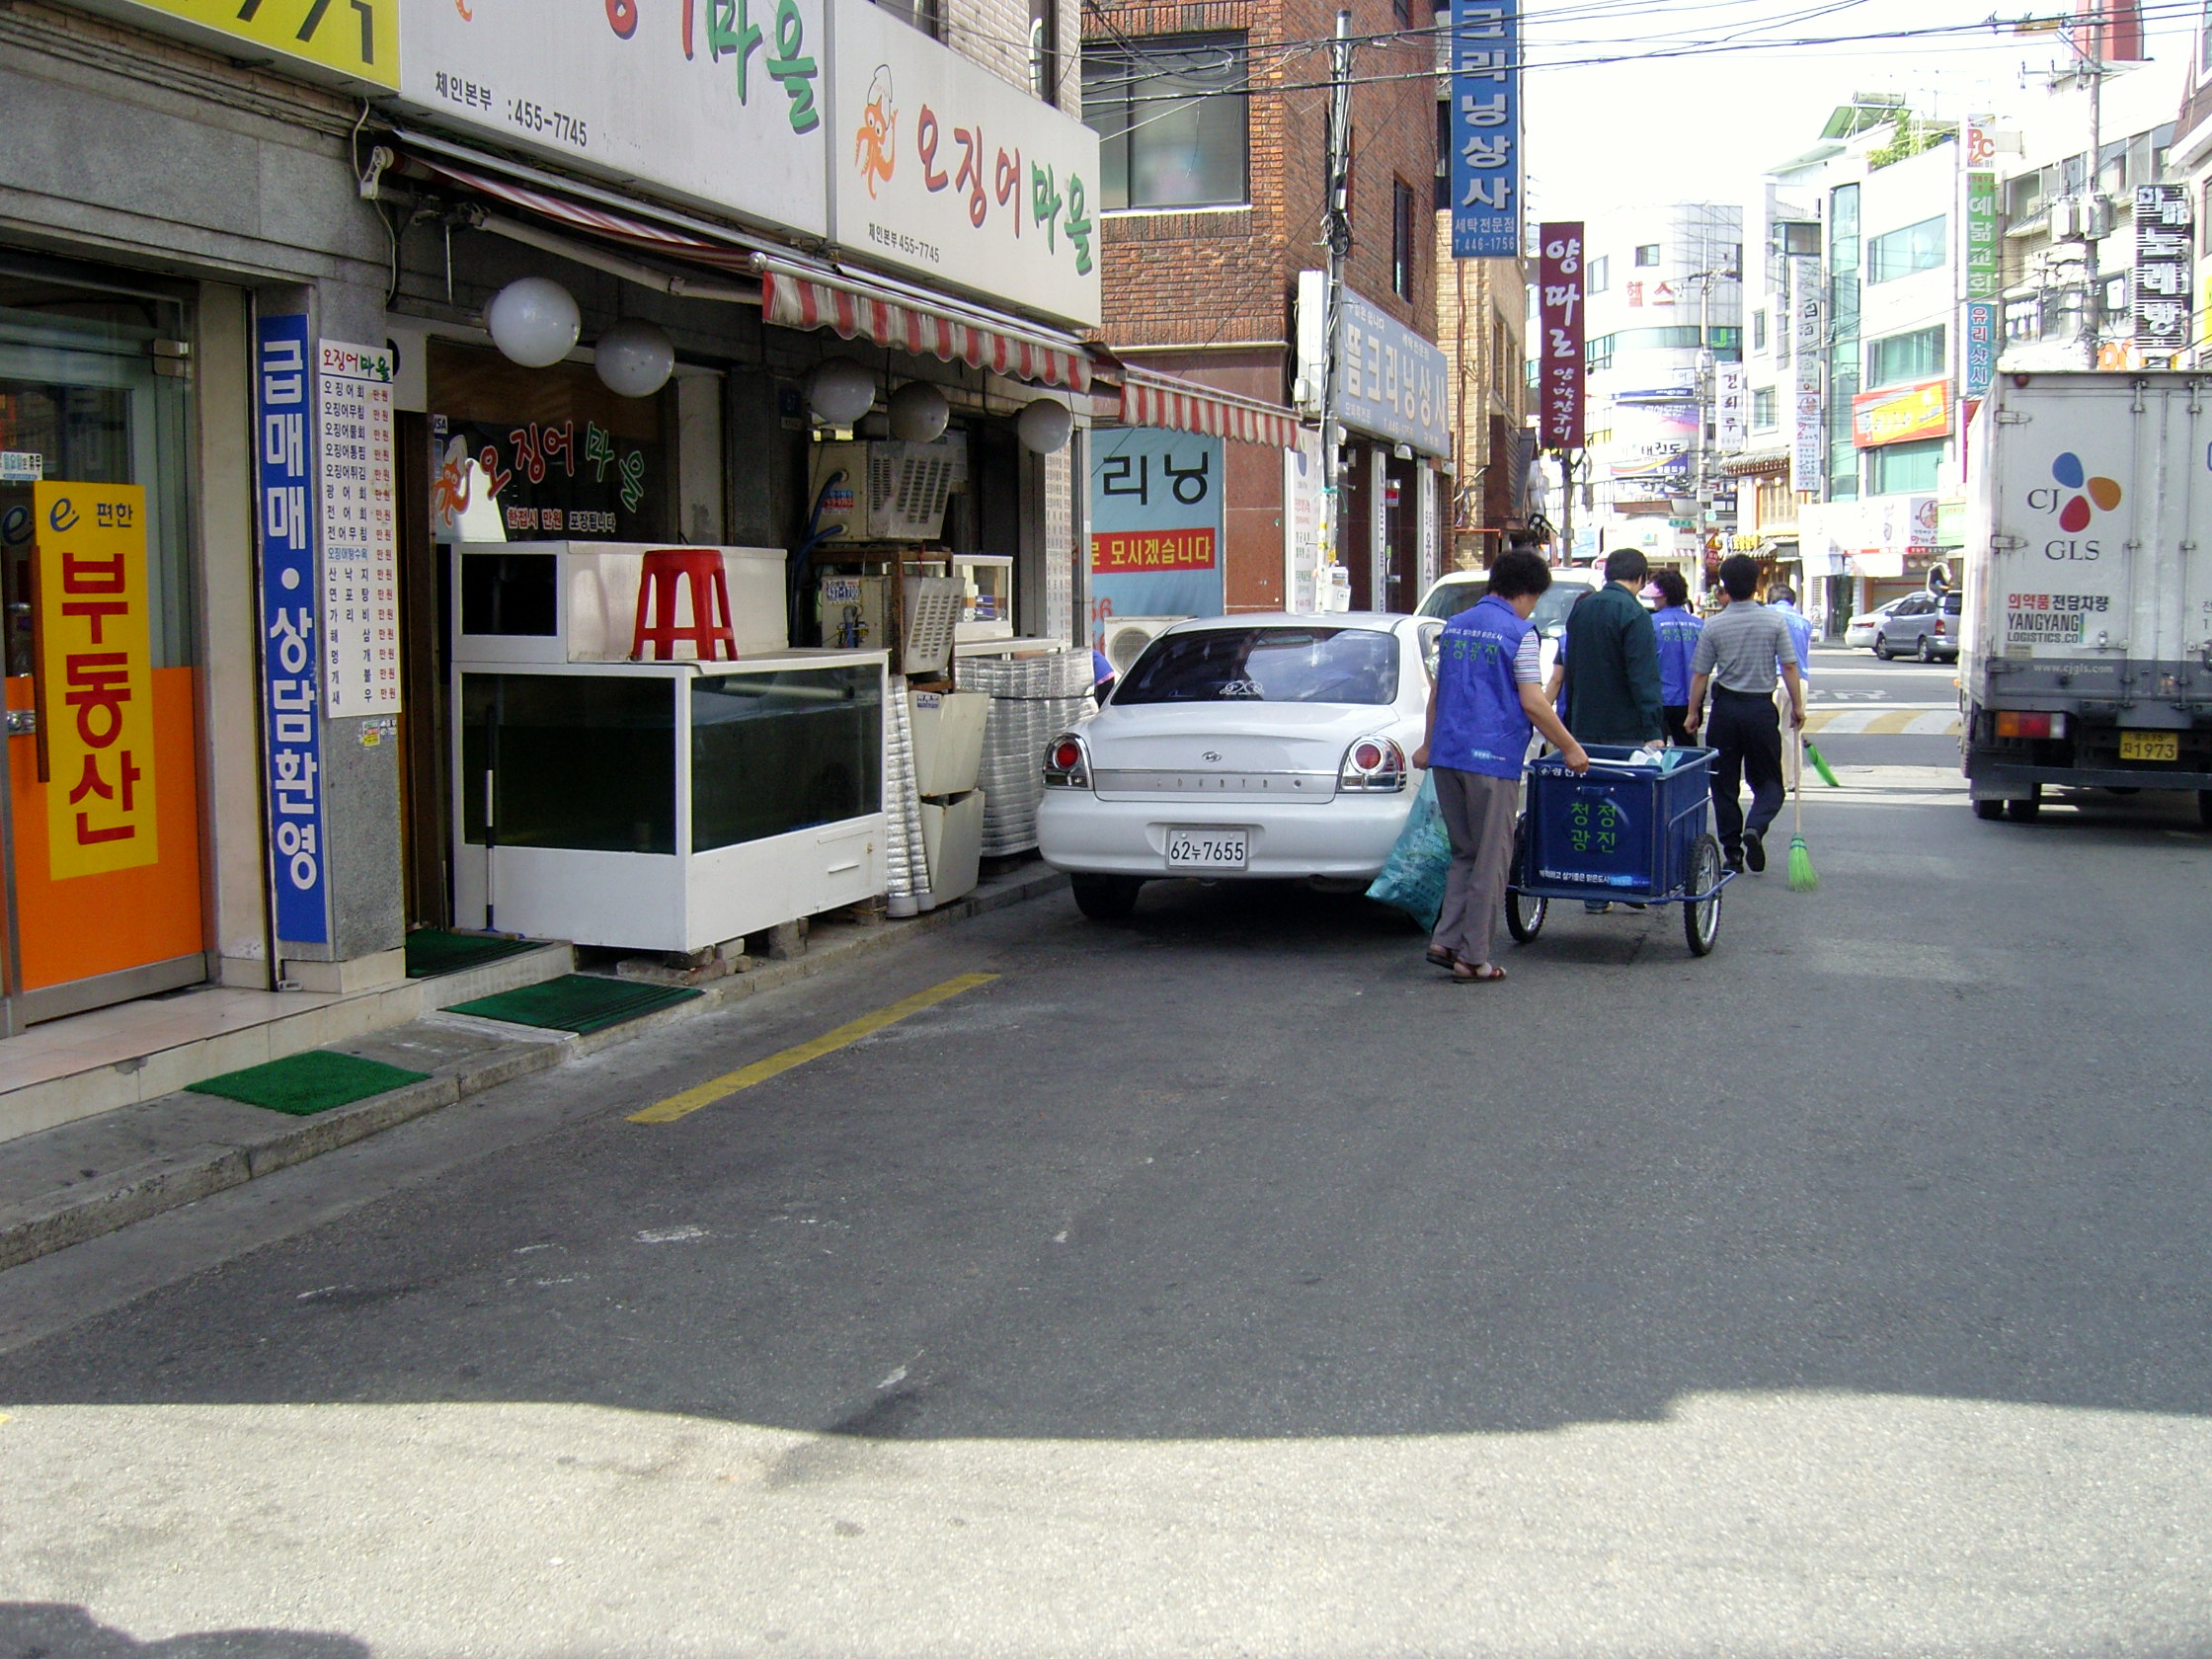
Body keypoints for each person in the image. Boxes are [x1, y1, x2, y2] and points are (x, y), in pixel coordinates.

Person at [1412, 550, 1590, 984]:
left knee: (1464, 854)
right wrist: (1570, 747)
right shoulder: (1520, 633)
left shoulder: (1454, 627)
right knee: (1492, 858)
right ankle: (1473, 958)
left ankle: (1446, 939)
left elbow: (1438, 693)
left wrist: (1427, 745)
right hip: (1492, 760)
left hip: (1448, 756)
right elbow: (1532, 701)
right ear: (1529, 593)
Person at [1684, 553, 1805, 875]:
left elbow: (1700, 674)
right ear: (1756, 585)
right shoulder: (1773, 621)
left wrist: (1692, 712)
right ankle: (1756, 825)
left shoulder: (1715, 624)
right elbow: (1790, 665)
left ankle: (1733, 853)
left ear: (1724, 586)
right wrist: (1798, 706)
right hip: (1760, 710)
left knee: (1724, 786)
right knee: (1769, 783)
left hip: (1725, 711)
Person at [1543, 547, 1664, 749]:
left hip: (1583, 723)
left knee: (1587, 779)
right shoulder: (1635, 613)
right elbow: (1643, 675)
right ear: (1641, 578)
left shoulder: (1582, 608)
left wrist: (1570, 721)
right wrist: (1652, 729)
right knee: (1619, 779)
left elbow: (1571, 669)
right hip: (1625, 727)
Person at [1765, 583, 1815, 791]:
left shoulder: (1766, 614)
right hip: (1800, 680)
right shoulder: (1804, 621)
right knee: (1790, 732)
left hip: (1774, 678)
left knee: (1767, 732)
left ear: (1771, 599)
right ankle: (1792, 781)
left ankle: (1769, 779)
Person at [1648, 568, 1703, 748]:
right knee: (1689, 753)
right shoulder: (1699, 625)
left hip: (1659, 700)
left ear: (1663, 595)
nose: (1652, 599)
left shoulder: (1650, 624)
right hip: (1691, 701)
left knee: (1655, 754)